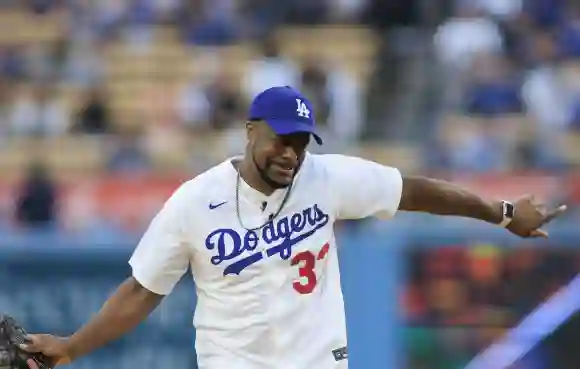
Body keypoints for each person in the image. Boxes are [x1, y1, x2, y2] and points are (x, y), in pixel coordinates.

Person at [20, 86, 566, 369]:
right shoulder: (194, 201)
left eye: (302, 141)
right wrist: (73, 347)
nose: (291, 152)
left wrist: (501, 213)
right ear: (250, 130)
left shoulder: (326, 179)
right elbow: (142, 291)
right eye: (281, 138)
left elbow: (416, 190)